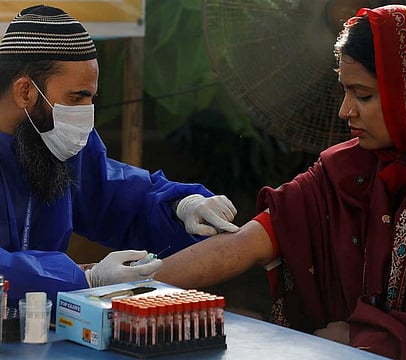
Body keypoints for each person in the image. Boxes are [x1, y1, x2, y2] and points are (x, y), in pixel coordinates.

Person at [153, 4, 406, 359]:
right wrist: (115, 284)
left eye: (363, 95)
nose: (345, 111)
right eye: (344, 91)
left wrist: (370, 338)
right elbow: (247, 243)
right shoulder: (348, 167)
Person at [0, 5, 240, 311]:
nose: (85, 112)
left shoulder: (56, 139)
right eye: (76, 97)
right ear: (25, 92)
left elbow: (115, 194)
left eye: (90, 97)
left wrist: (180, 207)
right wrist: (86, 280)